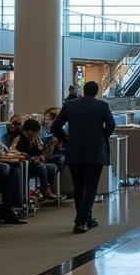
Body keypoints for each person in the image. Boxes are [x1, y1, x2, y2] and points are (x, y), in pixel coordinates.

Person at [51, 81, 115, 233]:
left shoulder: (70, 105)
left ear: (83, 90)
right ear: (96, 92)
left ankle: (86, 218)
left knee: (79, 187)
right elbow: (111, 125)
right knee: (91, 187)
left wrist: (66, 140)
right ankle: (81, 221)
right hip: (95, 151)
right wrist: (102, 137)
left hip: (75, 150)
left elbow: (55, 127)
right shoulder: (102, 106)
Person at [9, 117, 59, 203]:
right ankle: (45, 190)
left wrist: (45, 150)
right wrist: (32, 158)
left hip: (33, 162)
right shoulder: (19, 139)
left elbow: (37, 151)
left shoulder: (33, 138)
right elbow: (18, 154)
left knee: (53, 167)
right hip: (26, 164)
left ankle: (45, 188)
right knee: (42, 167)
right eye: (34, 132)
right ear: (28, 130)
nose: (36, 134)